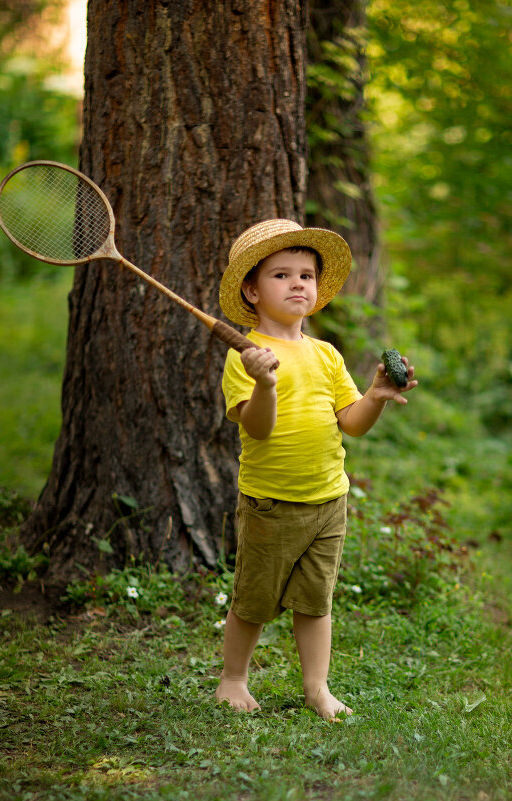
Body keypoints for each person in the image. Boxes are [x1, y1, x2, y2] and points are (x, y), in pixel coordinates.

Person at [216, 219, 417, 721]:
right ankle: (233, 679)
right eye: (281, 275)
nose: (298, 283)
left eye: (306, 274)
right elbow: (258, 429)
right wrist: (264, 384)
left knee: (316, 601)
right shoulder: (246, 357)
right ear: (252, 290)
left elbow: (351, 423)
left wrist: (376, 396)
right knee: (254, 600)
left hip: (329, 500)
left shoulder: (326, 354)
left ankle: (317, 688)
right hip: (272, 503)